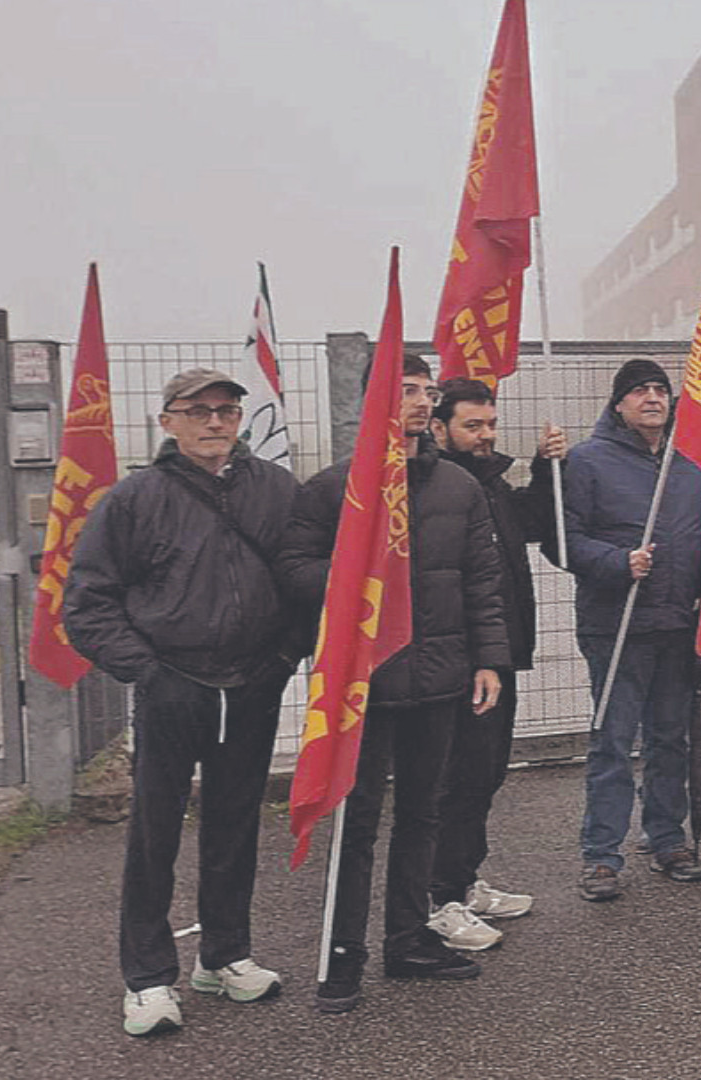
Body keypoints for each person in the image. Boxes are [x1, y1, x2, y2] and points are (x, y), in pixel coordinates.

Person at [64, 369, 305, 1036]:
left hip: (251, 686)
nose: (214, 422)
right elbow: (88, 602)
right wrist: (148, 671)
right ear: (166, 420)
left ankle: (224, 955)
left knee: (235, 826)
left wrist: (282, 660)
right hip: (173, 686)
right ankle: (146, 978)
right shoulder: (135, 499)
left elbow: (308, 579)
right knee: (155, 836)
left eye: (226, 410)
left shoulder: (276, 490)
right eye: (197, 411)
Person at [280, 354, 510, 1012]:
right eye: (405, 390)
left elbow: (481, 583)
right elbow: (293, 569)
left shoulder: (458, 489)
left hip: (439, 679)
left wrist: (489, 659)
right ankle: (341, 956)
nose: (419, 401)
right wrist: (353, 572)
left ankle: (409, 940)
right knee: (357, 823)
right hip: (367, 686)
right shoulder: (333, 489)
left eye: (426, 390)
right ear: (374, 400)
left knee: (423, 814)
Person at [423, 378, 566, 949]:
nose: (485, 436)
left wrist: (545, 468)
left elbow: (536, 525)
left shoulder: (489, 481)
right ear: (440, 429)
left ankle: (464, 879)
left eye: (490, 424)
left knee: (484, 773)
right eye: (472, 426)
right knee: (451, 780)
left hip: (499, 654)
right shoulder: (437, 487)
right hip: (457, 661)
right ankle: (439, 898)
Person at [562, 358, 701, 898]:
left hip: (676, 625)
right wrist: (615, 561)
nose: (653, 398)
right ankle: (602, 856)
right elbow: (564, 542)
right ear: (619, 403)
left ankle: (668, 839)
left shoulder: (690, 469)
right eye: (640, 390)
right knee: (613, 740)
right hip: (616, 625)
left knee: (671, 738)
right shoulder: (586, 461)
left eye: (661, 390)